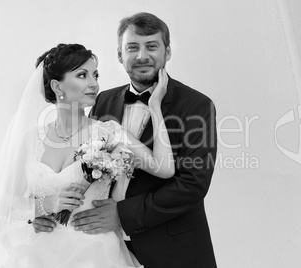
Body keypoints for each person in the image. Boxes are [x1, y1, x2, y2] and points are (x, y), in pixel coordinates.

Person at [37, 13, 218, 268]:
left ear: (167, 52)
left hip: (172, 249)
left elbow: (192, 184)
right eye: (132, 47)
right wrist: (45, 211)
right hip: (100, 245)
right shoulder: (104, 100)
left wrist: (123, 215)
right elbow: (87, 167)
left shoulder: (197, 105)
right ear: (120, 55)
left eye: (151, 46)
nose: (142, 56)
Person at [0, 43, 175, 268]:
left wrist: (155, 107)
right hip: (35, 254)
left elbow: (164, 167)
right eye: (82, 75)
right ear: (57, 86)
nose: (94, 83)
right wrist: (44, 205)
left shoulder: (109, 132)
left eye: (95, 75)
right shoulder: (30, 139)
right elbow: (4, 205)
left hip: (94, 253)